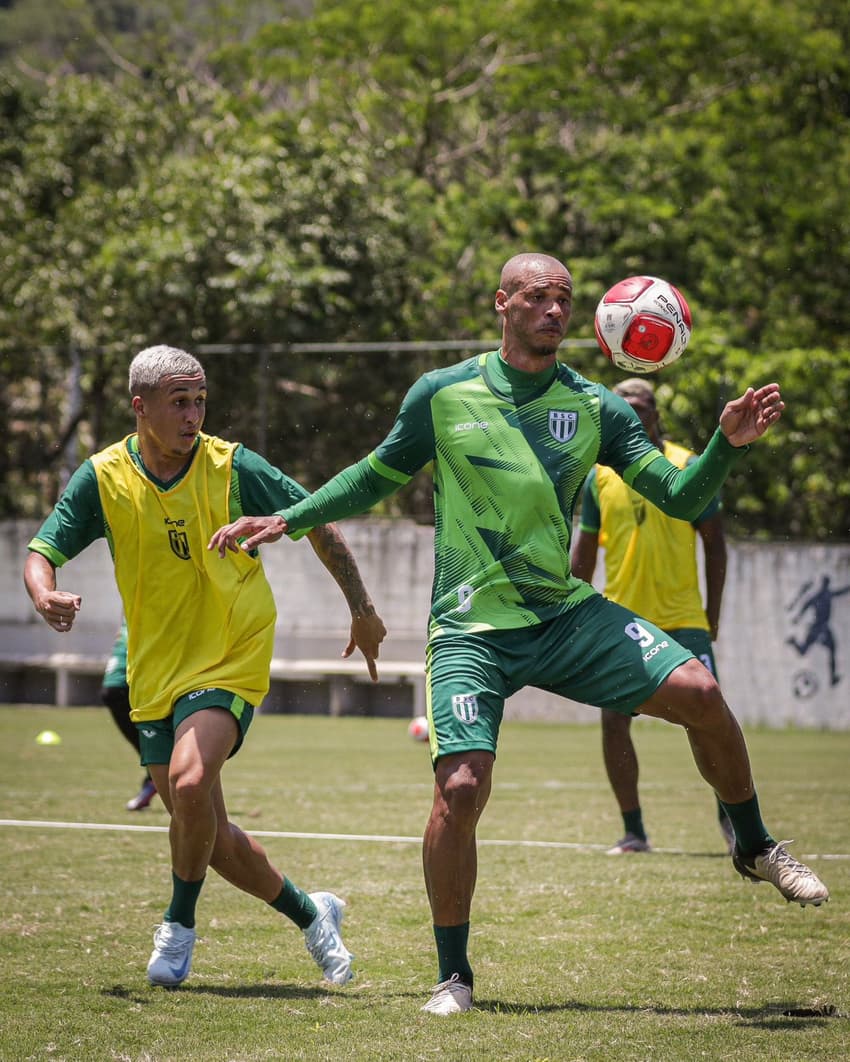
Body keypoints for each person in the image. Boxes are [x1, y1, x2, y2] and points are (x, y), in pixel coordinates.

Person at [208, 253, 829, 1016]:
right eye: (537, 297)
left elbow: (679, 495)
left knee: (701, 692)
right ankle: (453, 977)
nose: (554, 311)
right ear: (502, 303)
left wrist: (724, 447)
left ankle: (756, 844)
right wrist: (290, 517)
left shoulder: (598, 406)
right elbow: (375, 473)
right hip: (470, 627)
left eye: (564, 299)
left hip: (563, 615)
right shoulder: (442, 393)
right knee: (460, 788)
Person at [24, 344, 387, 989]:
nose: (194, 414)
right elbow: (43, 548)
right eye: (179, 402)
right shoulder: (104, 476)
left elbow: (318, 522)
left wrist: (361, 609)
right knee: (205, 831)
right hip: (155, 666)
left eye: (200, 401)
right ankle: (312, 913)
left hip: (230, 649)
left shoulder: (232, 466)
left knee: (190, 788)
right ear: (141, 408)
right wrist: (42, 591)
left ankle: (177, 925)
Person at [570, 377, 735, 855]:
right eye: (623, 408)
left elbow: (715, 542)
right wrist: (576, 615)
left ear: (656, 414)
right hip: (622, 620)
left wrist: (713, 614)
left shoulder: (685, 464)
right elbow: (582, 558)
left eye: (640, 407)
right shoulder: (599, 477)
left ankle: (733, 825)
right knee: (614, 723)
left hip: (685, 619)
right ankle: (634, 830)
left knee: (710, 719)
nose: (633, 415)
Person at [100, 619, 158, 811]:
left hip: (162, 625)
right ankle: (158, 768)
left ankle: (163, 770)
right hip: (132, 625)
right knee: (113, 690)